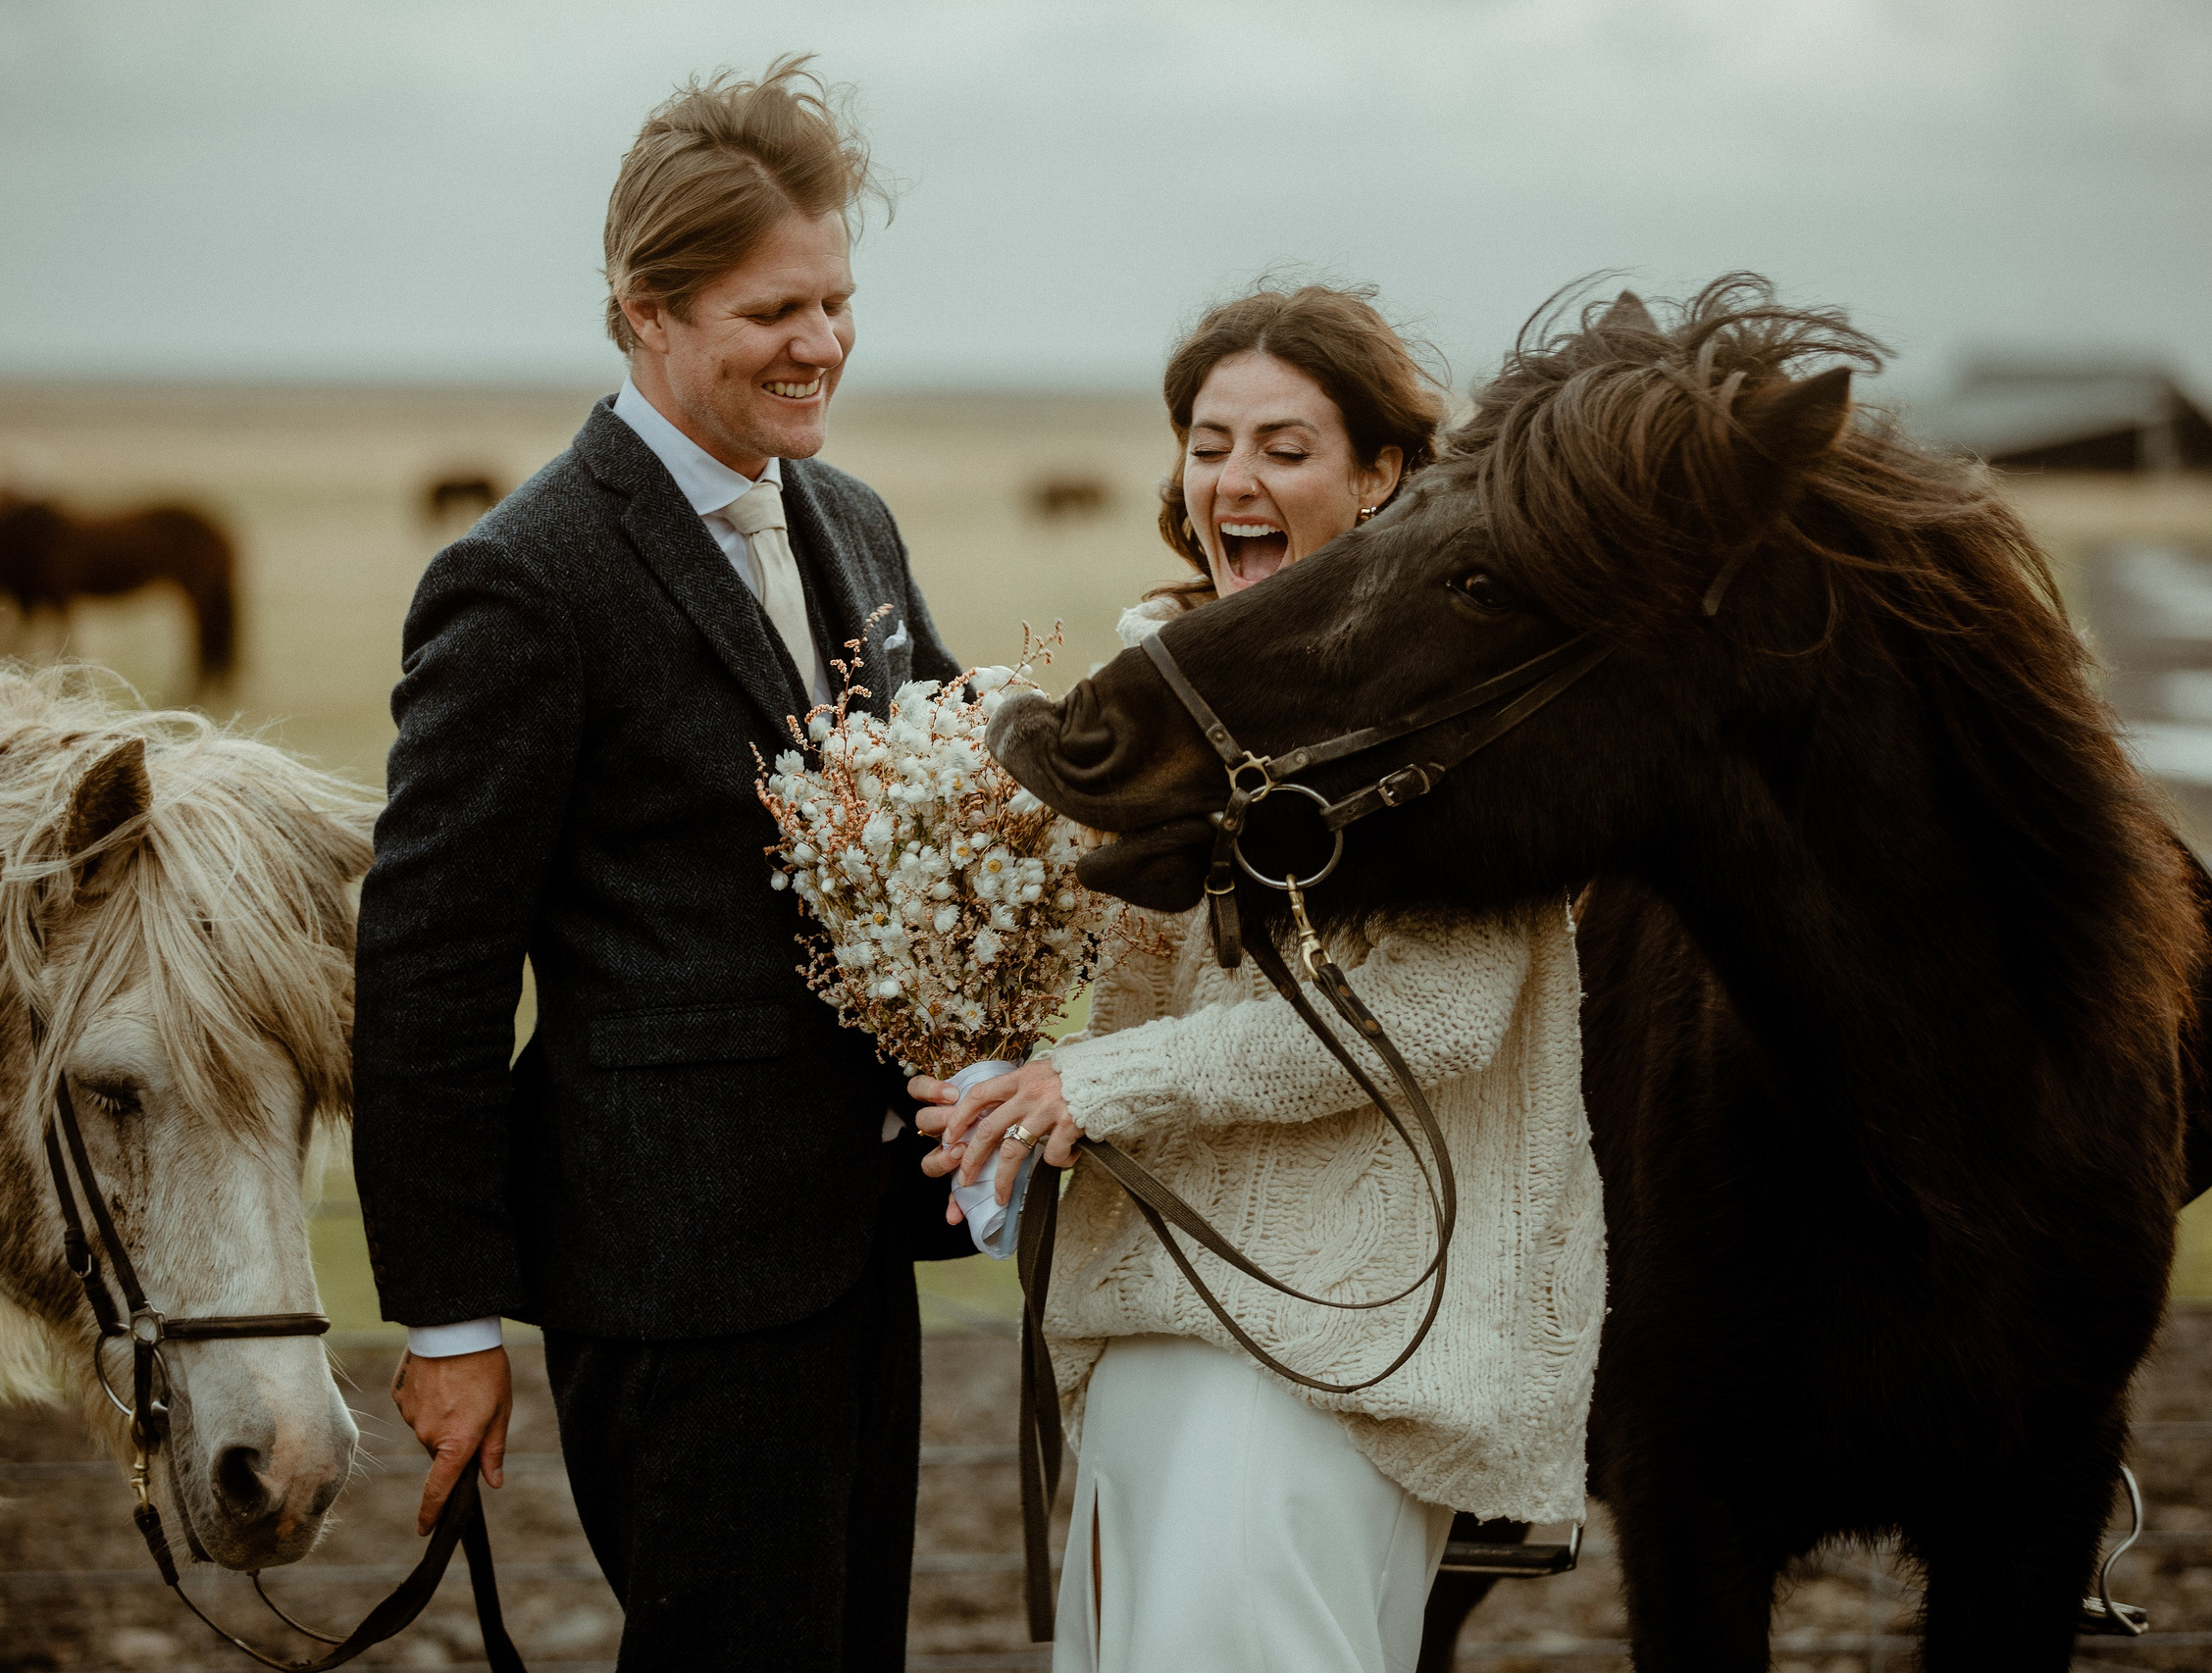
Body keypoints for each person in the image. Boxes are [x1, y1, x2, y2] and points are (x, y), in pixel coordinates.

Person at [353, 58, 968, 1671]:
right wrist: (450, 1318)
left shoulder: (853, 520)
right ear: (646, 312)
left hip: (864, 1244)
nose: (822, 342)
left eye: (837, 300)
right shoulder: (522, 580)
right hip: (675, 1279)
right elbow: (430, 971)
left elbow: (963, 804)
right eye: (776, 312)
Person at [912, 285, 1607, 1672]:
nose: (1234, 478)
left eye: (1286, 448)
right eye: (1209, 440)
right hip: (1144, 1317)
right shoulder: (1156, 690)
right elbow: (1152, 1001)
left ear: (1382, 474)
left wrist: (1091, 1082)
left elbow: (1427, 1016)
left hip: (1331, 1349)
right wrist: (998, 1058)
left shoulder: (1477, 710)